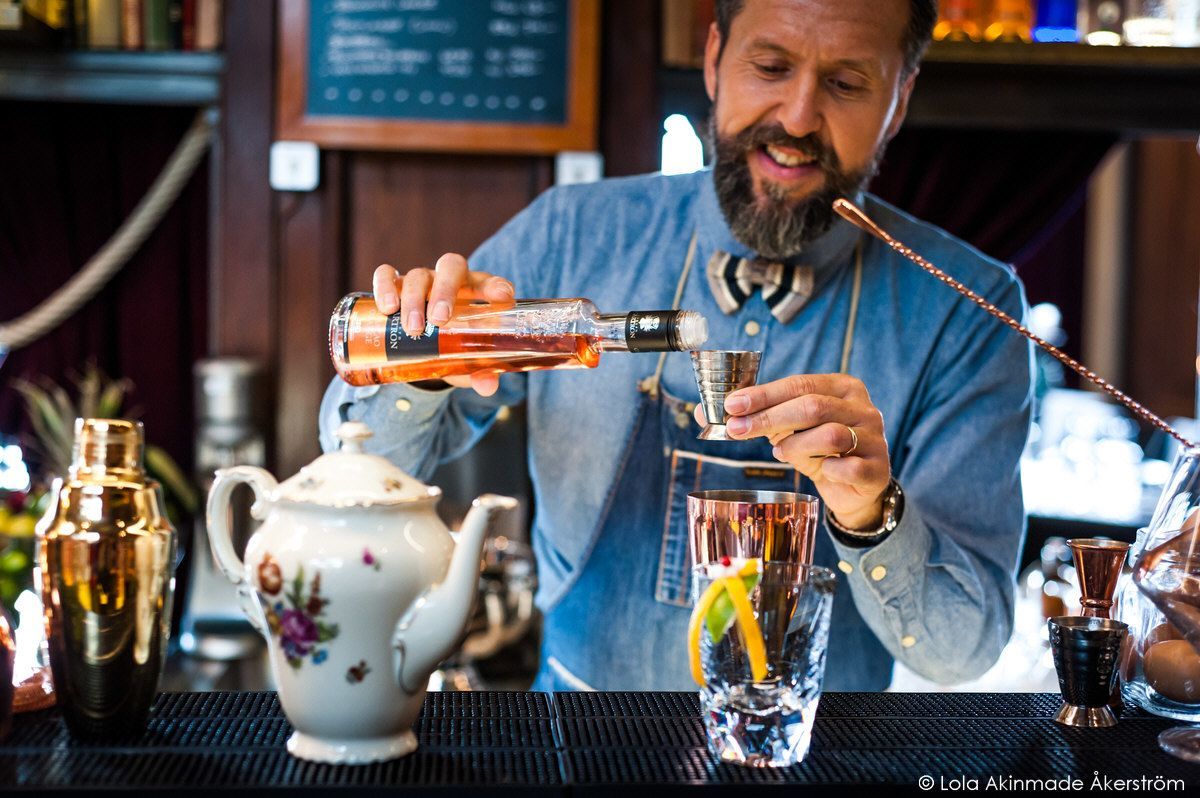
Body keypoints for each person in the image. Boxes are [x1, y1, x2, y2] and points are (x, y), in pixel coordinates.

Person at [319, 0, 1035, 691]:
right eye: (771, 66)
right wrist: (428, 360)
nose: (796, 118)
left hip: (819, 753)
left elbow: (960, 655)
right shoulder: (568, 235)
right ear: (717, 59)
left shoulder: (967, 311)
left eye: (846, 84)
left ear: (899, 101)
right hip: (581, 739)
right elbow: (354, 469)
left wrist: (872, 512)